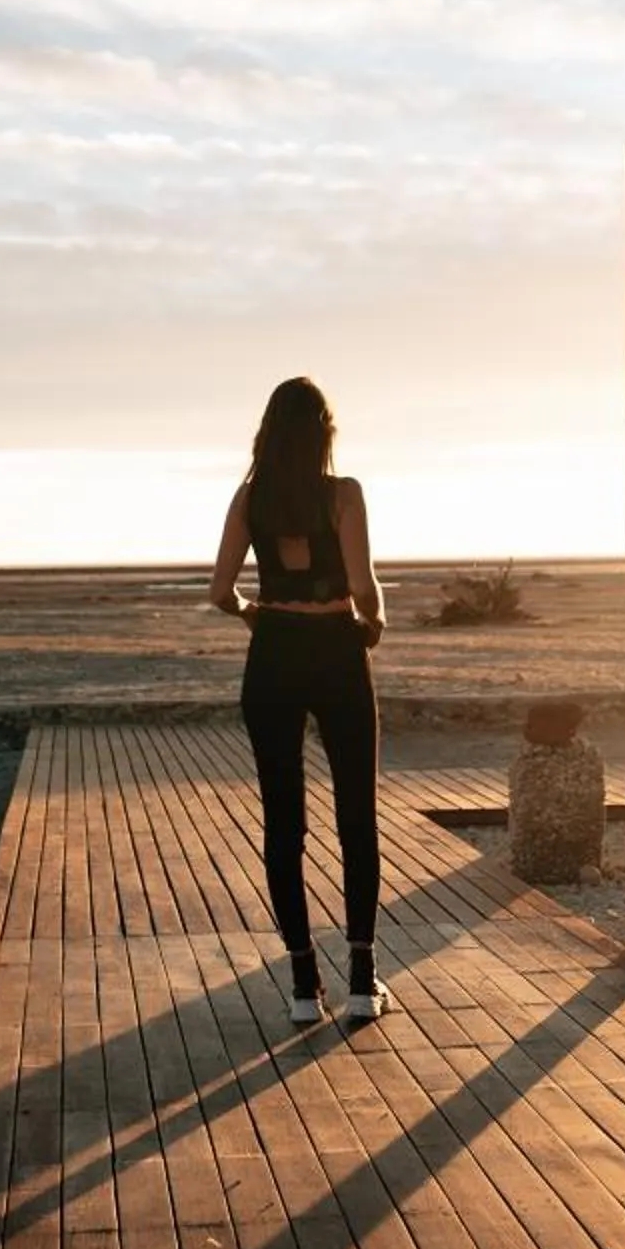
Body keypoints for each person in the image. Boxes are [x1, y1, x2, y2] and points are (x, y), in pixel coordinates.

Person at [208, 376, 389, 1023]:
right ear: (324, 433)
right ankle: (363, 980)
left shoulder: (250, 498)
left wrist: (254, 612)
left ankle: (304, 986)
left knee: (283, 824)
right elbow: (362, 586)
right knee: (356, 817)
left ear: (268, 433)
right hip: (337, 650)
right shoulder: (343, 494)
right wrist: (376, 620)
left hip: (274, 655)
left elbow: (220, 591)